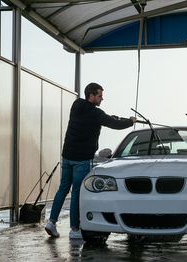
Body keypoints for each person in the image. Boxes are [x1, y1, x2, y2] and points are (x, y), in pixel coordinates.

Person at [45, 82, 136, 239]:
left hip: (67, 156)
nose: (102, 98)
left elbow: (106, 118)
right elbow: (113, 123)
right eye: (100, 95)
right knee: (76, 193)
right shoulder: (96, 114)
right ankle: (74, 230)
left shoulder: (76, 105)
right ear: (91, 95)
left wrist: (113, 117)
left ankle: (51, 222)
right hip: (81, 159)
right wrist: (130, 121)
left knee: (63, 189)